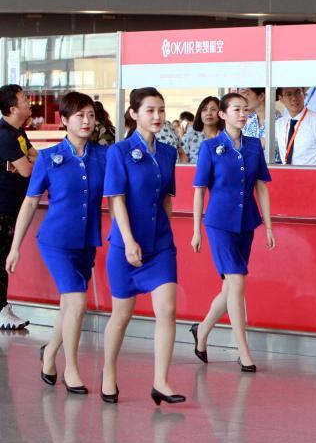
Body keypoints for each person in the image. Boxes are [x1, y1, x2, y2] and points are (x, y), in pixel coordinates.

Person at [5, 92, 107, 393]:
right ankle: (71, 369)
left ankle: (48, 354)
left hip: (87, 241)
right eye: (79, 115)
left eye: (90, 115)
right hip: (56, 242)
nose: (86, 121)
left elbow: (117, 197)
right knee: (77, 302)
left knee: (69, 307)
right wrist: (15, 247)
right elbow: (29, 202)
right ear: (64, 120)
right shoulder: (49, 158)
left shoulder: (105, 155)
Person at [102, 87, 185, 405]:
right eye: (150, 110)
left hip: (160, 245)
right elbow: (116, 199)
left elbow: (166, 197)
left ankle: (161, 382)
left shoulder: (167, 153)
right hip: (126, 245)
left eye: (161, 110)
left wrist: (165, 235)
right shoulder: (119, 151)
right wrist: (128, 241)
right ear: (134, 113)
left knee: (167, 310)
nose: (158, 117)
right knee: (121, 314)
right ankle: (109, 372)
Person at [190, 92, 275, 372]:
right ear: (223, 115)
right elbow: (199, 190)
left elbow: (261, 186)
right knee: (237, 284)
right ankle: (243, 351)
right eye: (236, 110)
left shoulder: (253, 146)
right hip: (219, 224)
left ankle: (201, 331)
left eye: (245, 110)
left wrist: (268, 225)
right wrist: (196, 230)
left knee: (229, 288)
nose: (242, 114)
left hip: (247, 223)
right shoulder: (210, 147)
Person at [0, 84, 35, 330]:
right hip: (2, 207)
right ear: (13, 108)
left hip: (13, 207)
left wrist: (24, 162)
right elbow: (28, 170)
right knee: (1, 259)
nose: (29, 102)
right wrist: (22, 164)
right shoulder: (4, 135)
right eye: (24, 99)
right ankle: (1, 310)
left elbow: (37, 157)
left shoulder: (18, 132)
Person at [274, 88, 316, 167]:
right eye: (289, 94)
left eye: (298, 93)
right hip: (288, 177)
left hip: (312, 177)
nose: (294, 98)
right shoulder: (280, 124)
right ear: (281, 99)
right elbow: (263, 141)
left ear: (304, 95)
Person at [182, 96, 224, 163]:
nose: (209, 113)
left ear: (221, 113)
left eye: (213, 109)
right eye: (204, 109)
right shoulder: (190, 136)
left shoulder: (227, 138)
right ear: (200, 113)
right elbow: (182, 164)